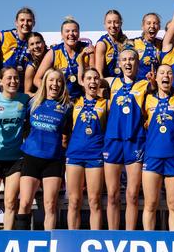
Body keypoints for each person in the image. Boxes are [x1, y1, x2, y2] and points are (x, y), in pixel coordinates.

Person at [15, 69, 71, 231]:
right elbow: (23, 128)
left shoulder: (67, 107)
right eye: (51, 80)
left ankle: (49, 241)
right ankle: (21, 242)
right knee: (25, 203)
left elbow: (67, 135)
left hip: (53, 160)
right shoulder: (32, 102)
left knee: (50, 204)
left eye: (59, 81)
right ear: (45, 82)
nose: (55, 84)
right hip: (31, 157)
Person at [102, 49, 151, 230]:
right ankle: (113, 235)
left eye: (132, 59)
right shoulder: (110, 82)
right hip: (113, 141)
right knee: (113, 194)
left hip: (135, 140)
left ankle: (130, 235)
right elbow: (86, 80)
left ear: (138, 63)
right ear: (119, 64)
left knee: (132, 194)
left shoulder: (146, 84)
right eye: (124, 60)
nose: (128, 63)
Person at [0, 67, 29, 230]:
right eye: (9, 78)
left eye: (16, 78)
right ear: (0, 81)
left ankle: (6, 238)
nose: (13, 81)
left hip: (16, 159)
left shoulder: (25, 99)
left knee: (10, 202)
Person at [142, 64, 174, 231]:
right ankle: (149, 242)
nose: (166, 76)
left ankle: (173, 242)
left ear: (173, 78)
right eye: (162, 73)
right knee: (150, 204)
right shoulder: (147, 98)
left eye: (169, 73)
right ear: (156, 78)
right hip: (152, 156)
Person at [66, 68, 108, 230]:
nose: (93, 81)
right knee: (74, 200)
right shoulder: (74, 101)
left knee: (94, 201)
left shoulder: (105, 103)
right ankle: (71, 237)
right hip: (74, 155)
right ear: (82, 81)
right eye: (89, 78)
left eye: (96, 78)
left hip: (95, 155)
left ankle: (95, 237)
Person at [35, 17, 92, 101]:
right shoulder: (53, 52)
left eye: (74, 31)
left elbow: (95, 75)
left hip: (83, 101)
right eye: (67, 31)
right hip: (61, 100)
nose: (71, 34)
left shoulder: (88, 49)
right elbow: (37, 79)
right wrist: (52, 93)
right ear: (62, 34)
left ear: (79, 34)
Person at [95, 9, 128, 78]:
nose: (113, 25)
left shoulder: (125, 42)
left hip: (123, 84)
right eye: (109, 22)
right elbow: (99, 72)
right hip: (108, 84)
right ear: (105, 24)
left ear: (121, 24)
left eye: (116, 22)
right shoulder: (102, 44)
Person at [133, 13, 162, 81]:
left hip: (158, 86)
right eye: (148, 23)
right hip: (139, 87)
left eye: (155, 23)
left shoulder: (162, 44)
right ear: (142, 26)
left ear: (159, 27)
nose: (152, 26)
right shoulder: (133, 43)